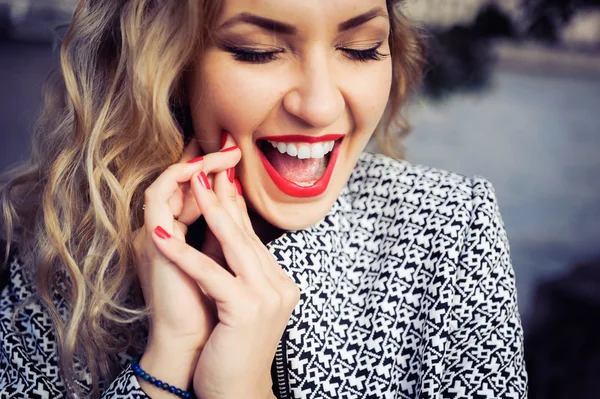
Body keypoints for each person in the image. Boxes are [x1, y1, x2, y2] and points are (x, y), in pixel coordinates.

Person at [0, 0, 528, 398]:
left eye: (362, 48)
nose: (320, 106)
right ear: (167, 64)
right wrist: (168, 360)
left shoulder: (451, 227)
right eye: (259, 52)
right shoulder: (50, 251)